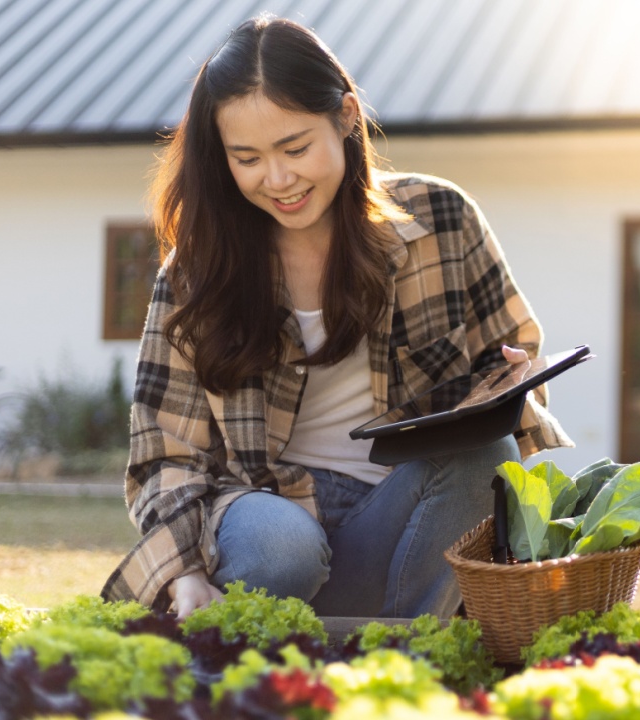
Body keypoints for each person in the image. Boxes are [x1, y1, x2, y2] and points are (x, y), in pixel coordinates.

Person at [100, 15, 571, 620]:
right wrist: (184, 572)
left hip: (404, 516)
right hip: (265, 521)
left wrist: (508, 382)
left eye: (295, 148)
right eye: (247, 158)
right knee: (283, 546)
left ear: (346, 116)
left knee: (488, 450)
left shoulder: (441, 220)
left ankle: (405, 663)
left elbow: (514, 362)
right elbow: (163, 454)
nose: (278, 179)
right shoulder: (198, 273)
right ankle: (268, 655)